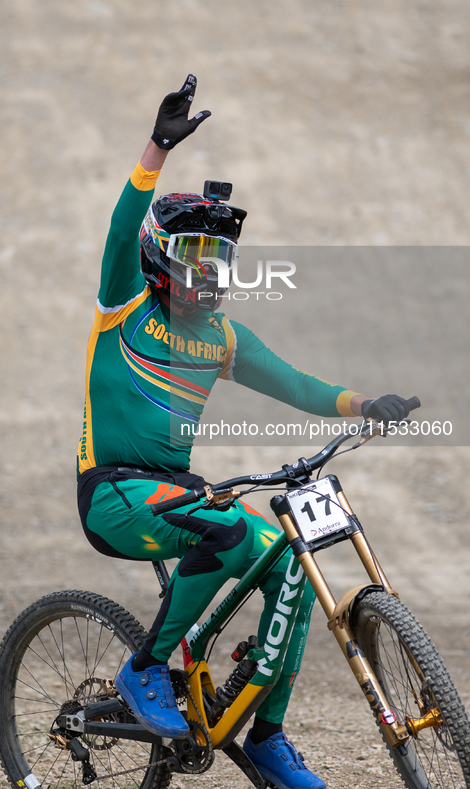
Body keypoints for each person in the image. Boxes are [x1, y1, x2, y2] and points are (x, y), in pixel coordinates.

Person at [76, 75, 410, 789]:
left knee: (290, 561)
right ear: (162, 260)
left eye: (217, 258)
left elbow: (300, 386)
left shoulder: (222, 335)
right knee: (227, 534)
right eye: (195, 256)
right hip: (114, 496)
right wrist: (156, 149)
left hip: (179, 491)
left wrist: (364, 404)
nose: (210, 270)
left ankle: (264, 733)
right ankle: (144, 670)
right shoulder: (123, 308)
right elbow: (116, 228)